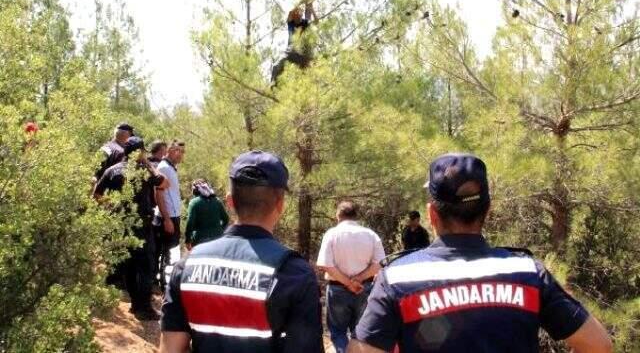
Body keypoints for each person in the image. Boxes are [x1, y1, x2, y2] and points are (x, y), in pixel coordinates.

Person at [348, 153, 613, 353]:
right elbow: (599, 345)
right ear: (488, 210)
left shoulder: (397, 279)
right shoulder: (529, 273)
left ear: (431, 214)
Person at [160, 150, 324, 353]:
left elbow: (170, 349)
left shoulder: (187, 265)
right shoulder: (295, 272)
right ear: (280, 205)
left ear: (229, 201)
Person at [94, 136, 168, 320]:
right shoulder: (143, 171)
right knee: (145, 265)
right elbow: (164, 183)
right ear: (139, 152)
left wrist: (112, 207)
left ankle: (136, 305)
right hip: (141, 225)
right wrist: (148, 164)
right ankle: (142, 307)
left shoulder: (112, 170)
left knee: (128, 265)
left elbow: (96, 193)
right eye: (142, 152)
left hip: (120, 223)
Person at [317, 201, 386, 353]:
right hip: (364, 288)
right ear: (356, 215)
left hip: (337, 289)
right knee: (361, 332)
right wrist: (359, 279)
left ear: (338, 215)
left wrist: (348, 283)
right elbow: (380, 263)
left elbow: (325, 264)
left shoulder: (331, 234)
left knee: (338, 332)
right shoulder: (371, 235)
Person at [154, 139, 186, 288]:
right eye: (180, 151)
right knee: (167, 252)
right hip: (167, 217)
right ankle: (166, 285)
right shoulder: (164, 168)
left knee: (170, 251)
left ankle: (167, 283)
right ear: (171, 151)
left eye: (183, 152)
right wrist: (167, 219)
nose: (182, 155)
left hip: (173, 216)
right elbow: (158, 194)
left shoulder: (171, 168)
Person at [185, 179, 230, 249]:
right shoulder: (217, 201)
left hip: (200, 241)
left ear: (195, 191)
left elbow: (190, 223)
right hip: (218, 239)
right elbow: (226, 219)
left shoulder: (194, 203)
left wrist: (188, 240)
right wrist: (220, 230)